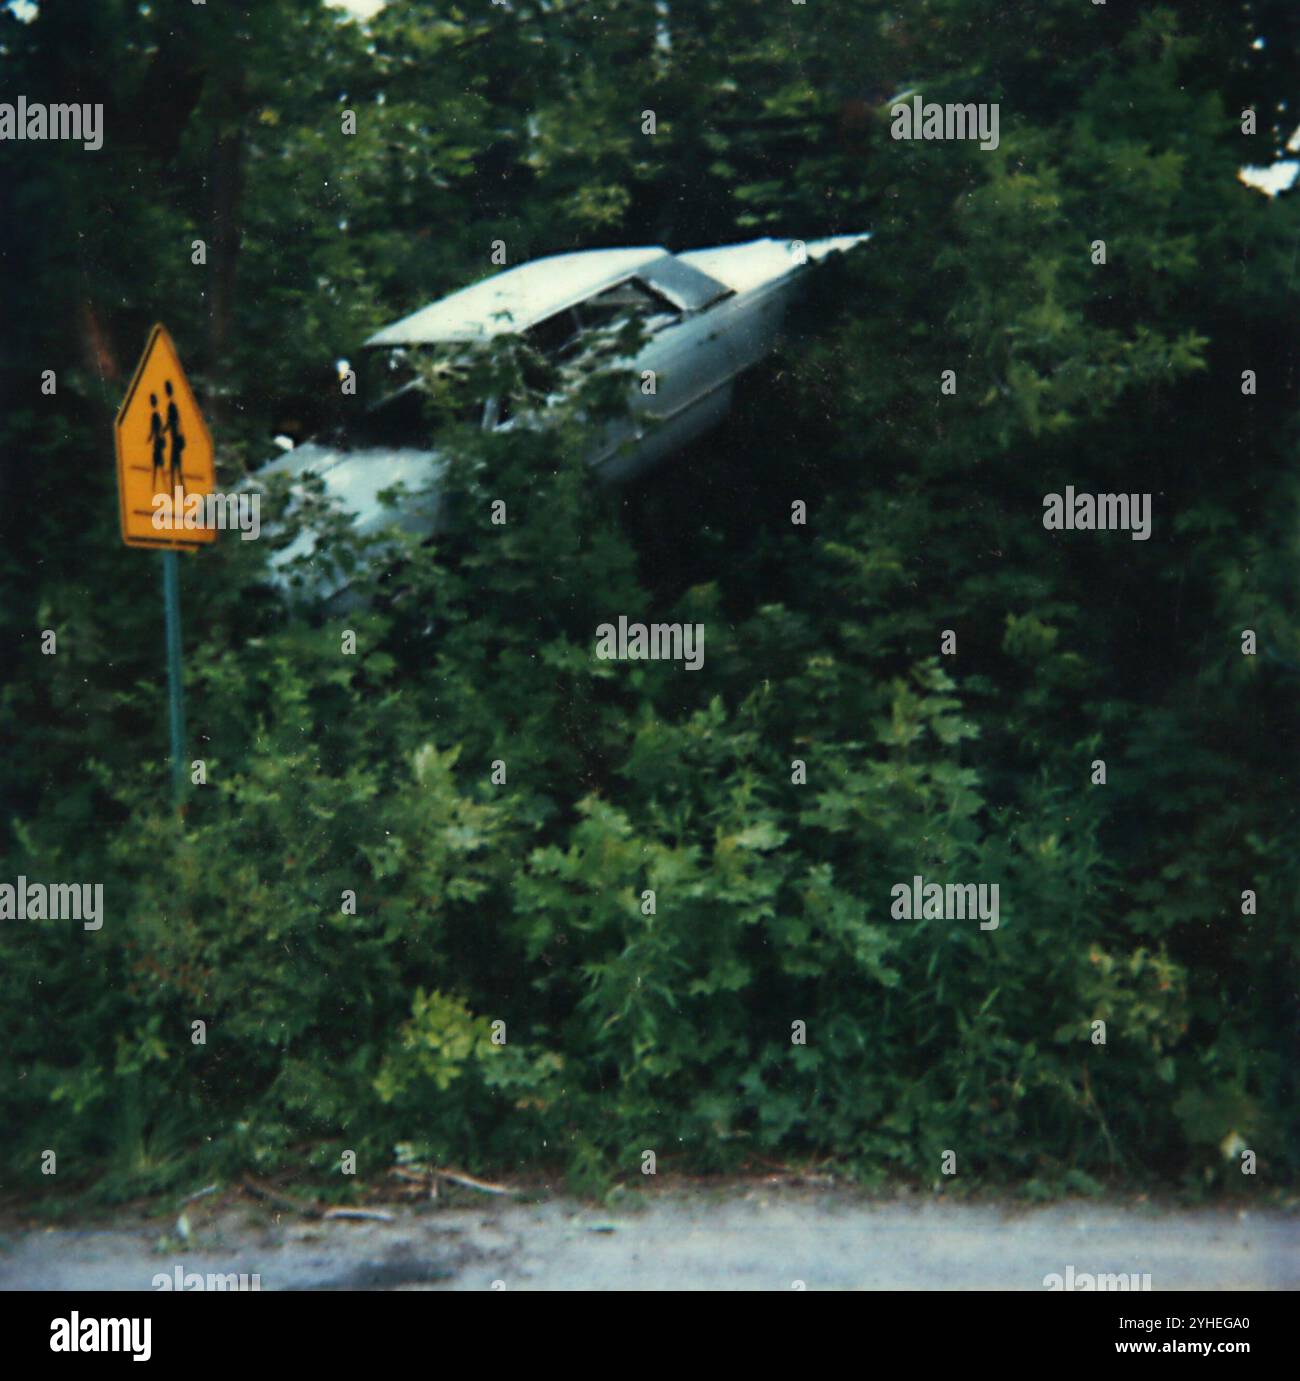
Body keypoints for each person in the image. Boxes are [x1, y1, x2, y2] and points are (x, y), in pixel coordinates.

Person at [164, 379, 186, 494]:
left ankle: (174, 492)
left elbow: (172, 422)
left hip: (176, 440)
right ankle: (177, 491)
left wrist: (163, 430)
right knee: (176, 467)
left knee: (174, 467)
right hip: (176, 439)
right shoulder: (173, 404)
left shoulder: (172, 405)